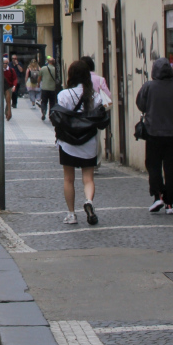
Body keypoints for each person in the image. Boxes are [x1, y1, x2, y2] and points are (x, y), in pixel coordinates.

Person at [53, 59, 111, 226]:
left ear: (71, 75)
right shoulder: (95, 96)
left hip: (68, 142)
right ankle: (89, 201)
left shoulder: (64, 95)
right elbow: (102, 115)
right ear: (87, 76)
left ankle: (71, 214)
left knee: (68, 179)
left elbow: (59, 118)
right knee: (88, 178)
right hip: (89, 141)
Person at [136, 57, 173, 214]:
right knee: (171, 169)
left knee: (153, 165)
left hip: (153, 134)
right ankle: (169, 203)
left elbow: (140, 104)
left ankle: (158, 196)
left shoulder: (149, 87)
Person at [39, 56, 60, 121]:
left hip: (45, 88)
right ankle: (51, 115)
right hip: (52, 89)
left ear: (48, 62)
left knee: (44, 101)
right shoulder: (55, 69)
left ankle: (44, 110)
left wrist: (38, 84)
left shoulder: (43, 68)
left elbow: (39, 78)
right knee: (52, 102)